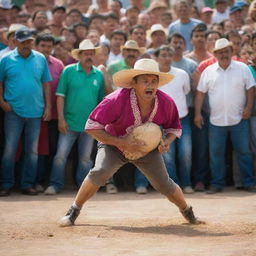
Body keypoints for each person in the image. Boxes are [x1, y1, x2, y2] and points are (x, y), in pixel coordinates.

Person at [58, 58, 204, 227]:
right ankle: (73, 211)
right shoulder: (115, 100)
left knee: (165, 185)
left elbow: (174, 128)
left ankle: (188, 212)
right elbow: (91, 127)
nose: (150, 86)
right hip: (114, 145)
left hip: (148, 150)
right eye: (145, 81)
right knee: (99, 172)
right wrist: (121, 142)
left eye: (153, 81)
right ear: (133, 83)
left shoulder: (166, 102)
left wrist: (165, 141)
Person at [44, 39, 112, 195]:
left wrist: (98, 123)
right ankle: (55, 185)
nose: (89, 56)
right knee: (60, 156)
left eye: (91, 54)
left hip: (89, 126)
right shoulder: (68, 71)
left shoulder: (98, 75)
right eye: (85, 54)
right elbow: (60, 96)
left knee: (85, 159)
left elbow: (102, 101)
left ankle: (84, 187)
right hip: (68, 123)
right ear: (79, 56)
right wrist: (61, 119)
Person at [194, 38, 256, 193]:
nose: (224, 55)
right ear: (215, 54)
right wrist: (197, 114)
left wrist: (249, 107)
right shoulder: (208, 71)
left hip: (239, 119)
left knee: (244, 152)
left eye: (226, 51)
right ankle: (217, 184)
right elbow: (200, 94)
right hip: (216, 121)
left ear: (231, 51)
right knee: (216, 154)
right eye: (220, 52)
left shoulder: (242, 68)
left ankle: (248, 182)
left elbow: (250, 89)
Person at [0, 27, 51, 196]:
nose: (27, 45)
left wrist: (49, 106)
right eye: (23, 42)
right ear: (15, 42)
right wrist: (2, 102)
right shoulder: (5, 59)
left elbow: (46, 84)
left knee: (32, 151)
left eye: (29, 41)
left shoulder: (40, 59)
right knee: (10, 149)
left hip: (36, 112)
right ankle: (6, 184)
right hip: (13, 112)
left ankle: (27, 184)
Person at [156, 45, 193, 193]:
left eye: (169, 55)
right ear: (157, 58)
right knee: (168, 156)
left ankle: (187, 183)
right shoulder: (153, 76)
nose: (166, 58)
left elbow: (187, 91)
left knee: (186, 154)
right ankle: (173, 186)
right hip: (161, 123)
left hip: (182, 120)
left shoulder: (182, 74)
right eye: (163, 55)